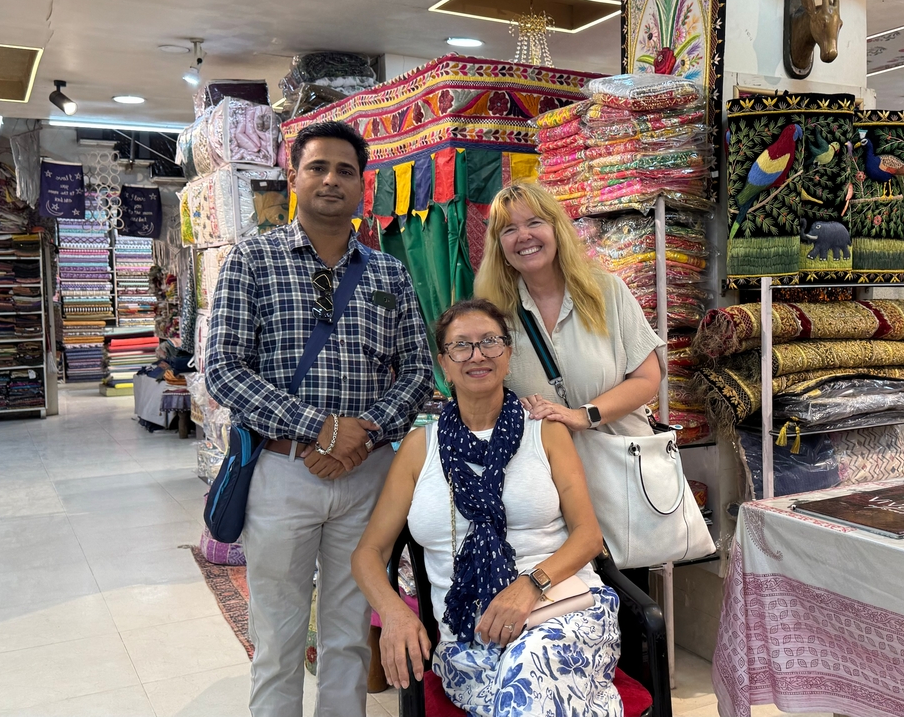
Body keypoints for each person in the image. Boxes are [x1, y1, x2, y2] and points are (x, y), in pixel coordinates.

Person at [206, 120, 434, 717]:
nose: (331, 180)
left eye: (345, 170)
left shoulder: (388, 273)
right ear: (294, 177)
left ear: (363, 184)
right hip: (282, 473)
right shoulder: (252, 259)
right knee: (278, 641)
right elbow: (224, 369)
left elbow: (418, 371)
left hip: (367, 478)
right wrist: (322, 428)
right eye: (318, 167)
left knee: (349, 635)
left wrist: (365, 434)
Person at [352, 299, 622, 716]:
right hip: (469, 637)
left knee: (528, 668)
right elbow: (368, 552)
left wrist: (530, 585)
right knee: (521, 690)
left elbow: (589, 536)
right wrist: (394, 613)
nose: (477, 355)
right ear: (444, 364)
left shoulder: (545, 432)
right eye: (461, 345)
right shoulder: (420, 448)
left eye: (490, 342)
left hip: (560, 613)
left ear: (508, 354)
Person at [473, 181, 663, 439]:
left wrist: (584, 416)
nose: (523, 236)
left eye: (534, 222)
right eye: (509, 229)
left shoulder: (606, 291)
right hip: (544, 463)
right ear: (500, 246)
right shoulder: (493, 315)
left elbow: (647, 379)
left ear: (556, 230)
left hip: (618, 459)